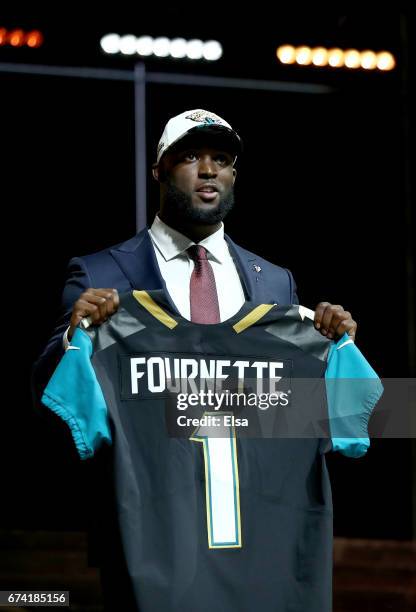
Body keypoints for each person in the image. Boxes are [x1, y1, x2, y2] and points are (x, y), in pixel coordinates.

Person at [32, 108, 357, 406]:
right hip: (146, 466)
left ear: (234, 177)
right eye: (190, 156)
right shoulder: (97, 273)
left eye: (221, 159)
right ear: (159, 171)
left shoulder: (276, 283)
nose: (208, 170)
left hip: (244, 466)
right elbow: (43, 398)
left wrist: (334, 354)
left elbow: (295, 407)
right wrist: (71, 340)